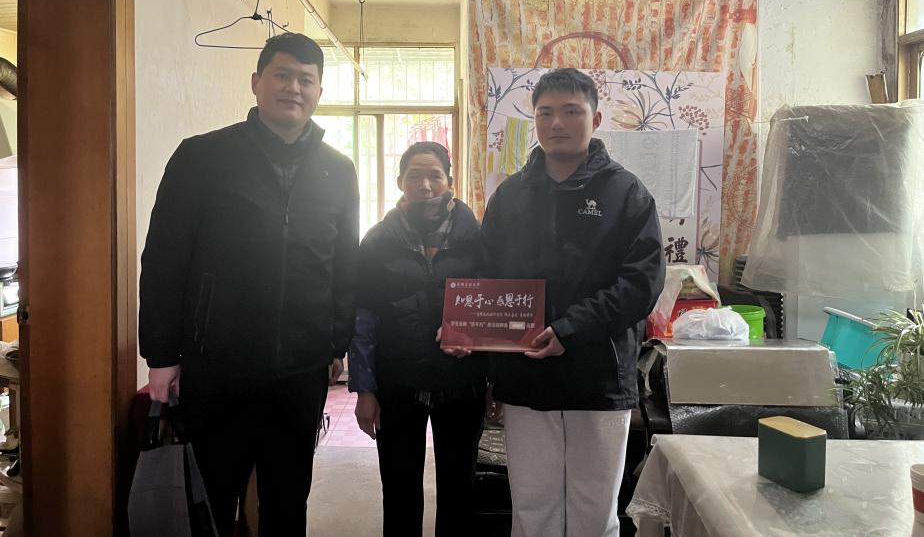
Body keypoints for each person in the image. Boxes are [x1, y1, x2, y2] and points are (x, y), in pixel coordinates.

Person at [138, 33, 359, 536]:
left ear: (319, 91)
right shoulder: (201, 157)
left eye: (306, 79)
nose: (293, 88)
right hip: (217, 364)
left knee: (288, 499)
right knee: (213, 497)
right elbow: (165, 258)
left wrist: (336, 342)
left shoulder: (337, 169)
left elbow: (345, 261)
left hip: (300, 371)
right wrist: (161, 355)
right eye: (282, 75)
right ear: (257, 81)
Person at [481, 68, 665, 537]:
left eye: (571, 111)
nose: (557, 123)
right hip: (525, 379)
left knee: (594, 512)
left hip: (598, 378)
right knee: (532, 507)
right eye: (545, 113)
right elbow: (487, 279)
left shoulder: (626, 193)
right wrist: (472, 334)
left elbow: (642, 283)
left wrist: (570, 329)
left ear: (596, 118)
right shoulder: (509, 196)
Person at [349, 141, 486, 537]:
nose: (424, 185)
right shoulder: (377, 241)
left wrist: (494, 378)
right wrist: (364, 389)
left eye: (434, 176)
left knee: (459, 488)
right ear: (400, 182)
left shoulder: (476, 238)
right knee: (399, 487)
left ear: (450, 182)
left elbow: (493, 305)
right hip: (398, 383)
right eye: (414, 176)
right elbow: (363, 319)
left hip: (462, 382)